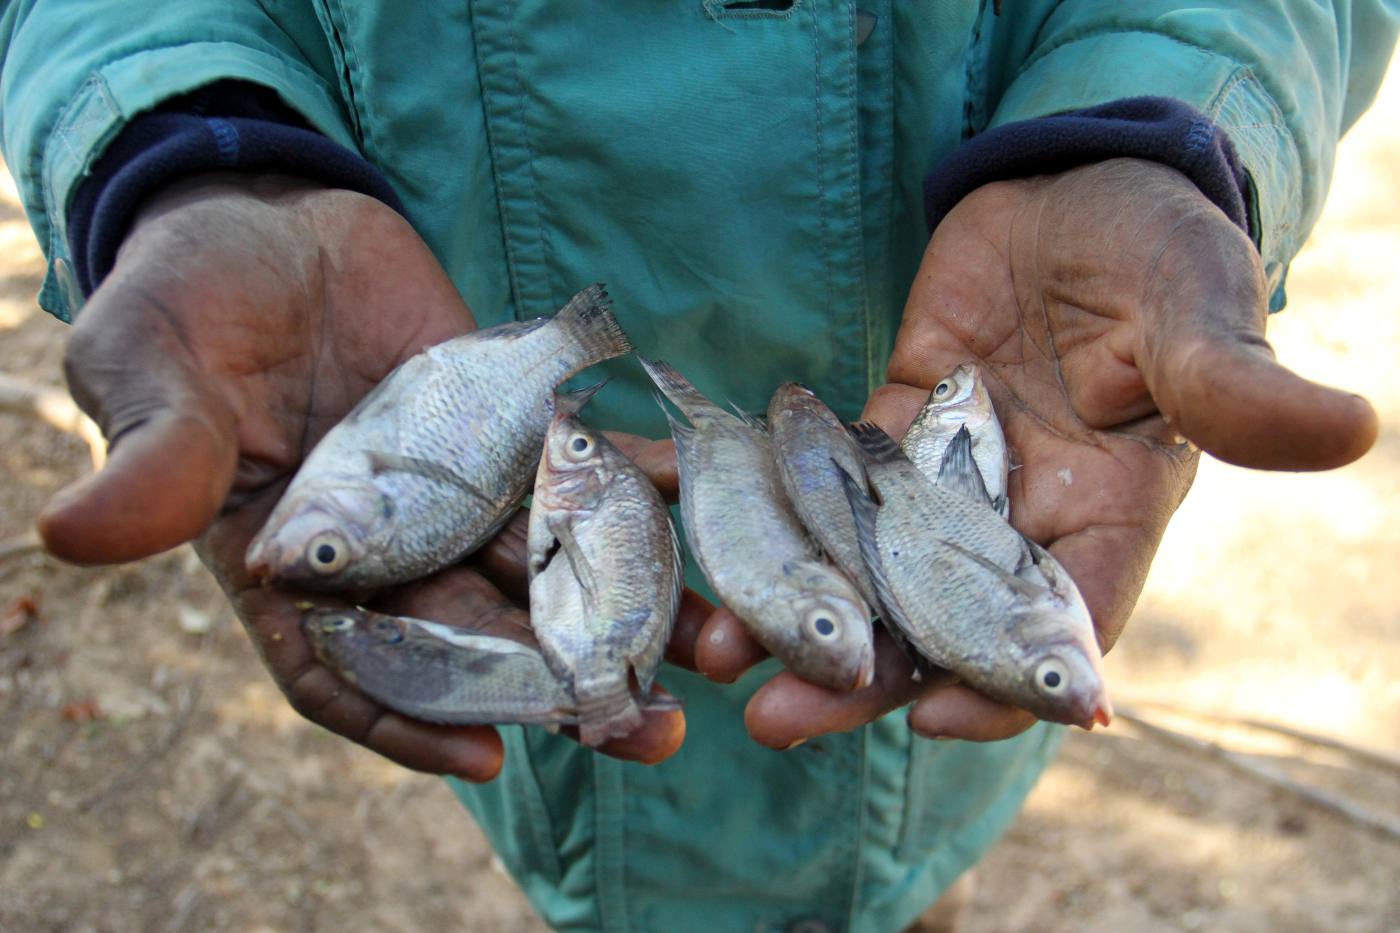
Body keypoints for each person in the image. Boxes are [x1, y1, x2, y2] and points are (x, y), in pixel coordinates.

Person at [3, 3, 1395, 930]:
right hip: (443, 357)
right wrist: (192, 145)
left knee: (898, 886)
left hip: (915, 609)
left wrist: (1149, 120)